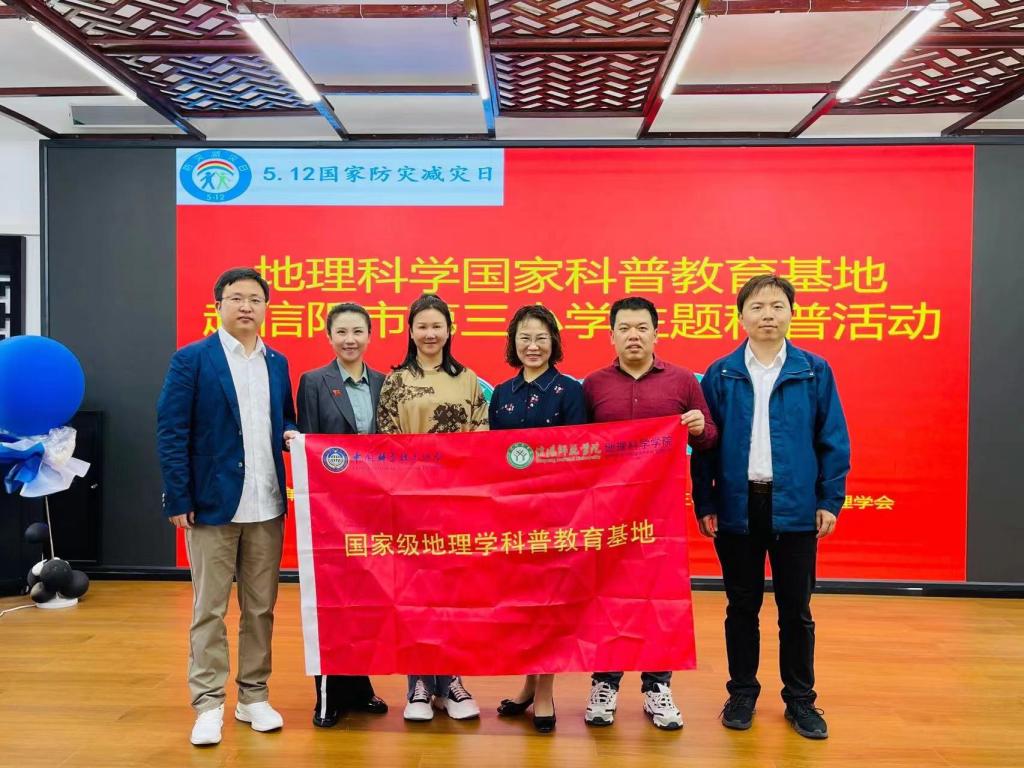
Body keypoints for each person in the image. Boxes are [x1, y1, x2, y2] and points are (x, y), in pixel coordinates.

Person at [692, 274, 850, 740]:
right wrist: (706, 501)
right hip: (738, 505)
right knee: (741, 606)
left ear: (791, 313)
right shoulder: (721, 373)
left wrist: (829, 500)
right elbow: (704, 444)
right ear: (741, 316)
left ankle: (801, 700)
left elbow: (833, 440)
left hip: (796, 506)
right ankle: (742, 693)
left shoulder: (813, 370)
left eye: (777, 306)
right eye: (757, 307)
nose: (767, 315)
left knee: (795, 609)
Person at [157, 267, 299, 746]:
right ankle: (208, 703)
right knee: (209, 610)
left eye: (255, 299)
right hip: (211, 506)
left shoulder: (277, 362)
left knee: (261, 609)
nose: (246, 306)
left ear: (265, 307)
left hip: (267, 505)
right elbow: (171, 430)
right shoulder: (192, 360)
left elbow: (284, 419)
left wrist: (292, 435)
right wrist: (178, 496)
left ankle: (253, 696)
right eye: (236, 298)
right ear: (218, 305)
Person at [582, 296, 718, 731]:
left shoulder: (682, 381)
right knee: (606, 595)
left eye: (642, 328)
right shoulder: (594, 385)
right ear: (611, 336)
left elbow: (711, 438)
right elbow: (576, 446)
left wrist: (700, 427)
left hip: (661, 514)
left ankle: (657, 686)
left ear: (656, 334)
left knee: (660, 596)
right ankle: (604, 683)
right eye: (624, 328)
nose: (634, 336)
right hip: (605, 512)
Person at [377, 293, 488, 722]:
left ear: (449, 330)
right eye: (421, 326)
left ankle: (452, 681)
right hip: (410, 503)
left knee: (454, 594)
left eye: (437, 326)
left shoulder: (468, 380)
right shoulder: (396, 381)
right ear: (410, 331)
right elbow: (386, 442)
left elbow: (481, 437)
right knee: (414, 593)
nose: (429, 333)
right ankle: (420, 685)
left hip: (457, 503)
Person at [489, 305, 586, 733]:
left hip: (555, 514)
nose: (533, 346)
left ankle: (545, 691)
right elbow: (492, 457)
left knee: (550, 603)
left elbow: (580, 454)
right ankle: (529, 684)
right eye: (524, 338)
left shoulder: (569, 392)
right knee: (522, 603)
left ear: (554, 343)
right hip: (511, 513)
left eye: (541, 338)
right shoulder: (501, 394)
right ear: (514, 343)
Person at [296, 302, 389, 727]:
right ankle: (329, 694)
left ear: (369, 336)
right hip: (331, 511)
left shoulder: (385, 383)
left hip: (374, 510)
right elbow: (309, 444)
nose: (350, 340)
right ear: (329, 336)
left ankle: (360, 686)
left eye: (357, 332)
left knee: (367, 600)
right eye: (341, 332)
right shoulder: (314, 382)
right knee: (332, 600)